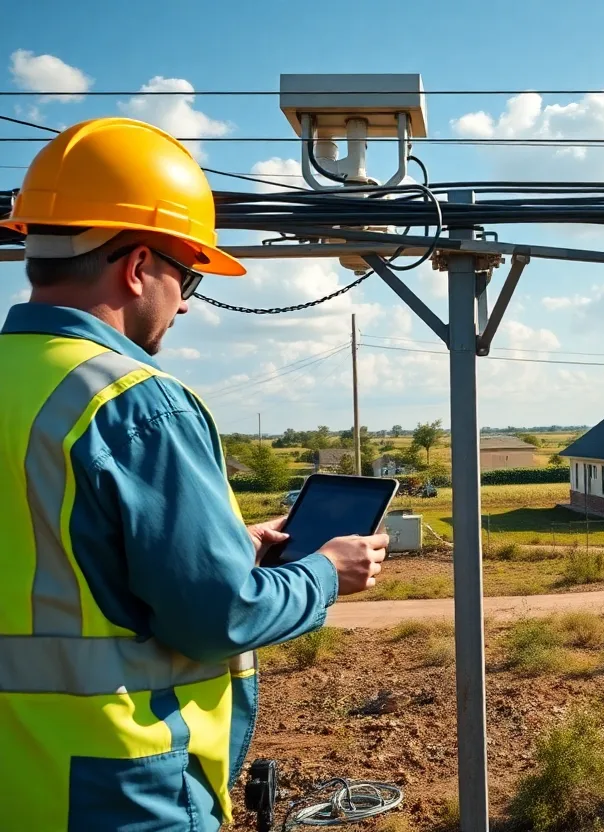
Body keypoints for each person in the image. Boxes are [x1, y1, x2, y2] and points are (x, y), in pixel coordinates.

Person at [0, 117, 387, 830]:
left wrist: (222, 546)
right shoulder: (133, 402)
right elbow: (220, 617)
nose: (183, 304)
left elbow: (45, 562)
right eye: (187, 279)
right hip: (116, 794)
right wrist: (327, 572)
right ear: (139, 265)